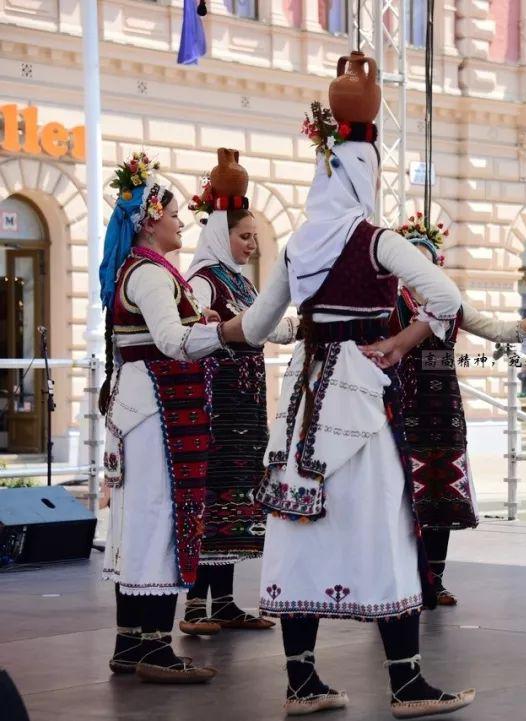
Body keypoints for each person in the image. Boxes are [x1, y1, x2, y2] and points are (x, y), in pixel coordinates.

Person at [221, 61, 474, 716]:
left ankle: (302, 679)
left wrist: (196, 331)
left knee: (300, 526)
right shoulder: (377, 240)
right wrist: (402, 340)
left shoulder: (299, 244)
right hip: (360, 399)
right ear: (368, 174)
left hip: (306, 400)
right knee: (385, 526)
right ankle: (406, 681)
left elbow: (252, 326)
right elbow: (445, 299)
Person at [99, 153, 222, 682]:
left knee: (143, 520)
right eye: (174, 214)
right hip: (157, 416)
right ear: (151, 219)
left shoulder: (147, 273)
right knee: (158, 520)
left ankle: (131, 644)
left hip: (142, 408)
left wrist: (202, 318)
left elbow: (162, 330)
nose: (180, 222)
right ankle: (153, 647)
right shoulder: (150, 275)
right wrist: (224, 333)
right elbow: (172, 343)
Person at [391, 233, 526, 606]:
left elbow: (498, 331)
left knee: (441, 495)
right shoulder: (389, 306)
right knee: (403, 500)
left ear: (437, 269)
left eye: (426, 263)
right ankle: (401, 579)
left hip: (445, 412)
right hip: (403, 411)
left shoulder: (451, 304)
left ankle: (433, 580)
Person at [178, 150, 297, 636]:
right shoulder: (202, 283)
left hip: (245, 408)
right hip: (216, 407)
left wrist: (303, 326)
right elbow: (194, 334)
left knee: (235, 505)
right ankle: (192, 608)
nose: (251, 244)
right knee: (212, 499)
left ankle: (224, 603)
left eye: (253, 237)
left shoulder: (241, 284)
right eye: (244, 236)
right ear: (220, 236)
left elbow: (264, 327)